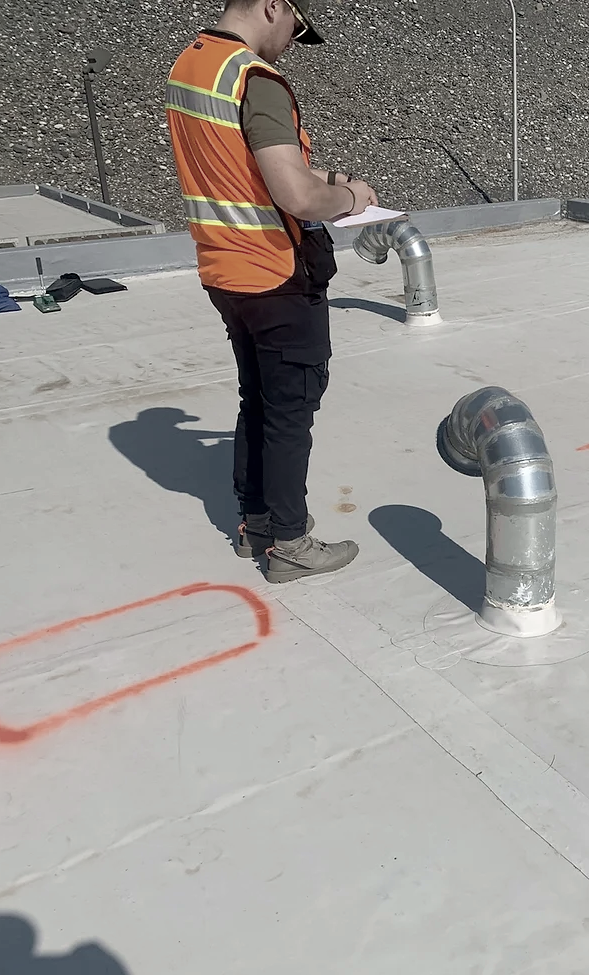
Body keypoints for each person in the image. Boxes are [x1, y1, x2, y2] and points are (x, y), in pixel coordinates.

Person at [166, 0, 377, 582]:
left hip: (225, 269)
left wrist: (329, 176)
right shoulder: (255, 80)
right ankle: (289, 542)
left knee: (256, 401)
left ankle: (255, 525)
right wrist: (349, 199)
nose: (290, 42)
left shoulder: (194, 64)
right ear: (273, 6)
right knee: (289, 412)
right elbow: (298, 197)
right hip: (275, 274)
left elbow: (244, 165)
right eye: (295, 28)